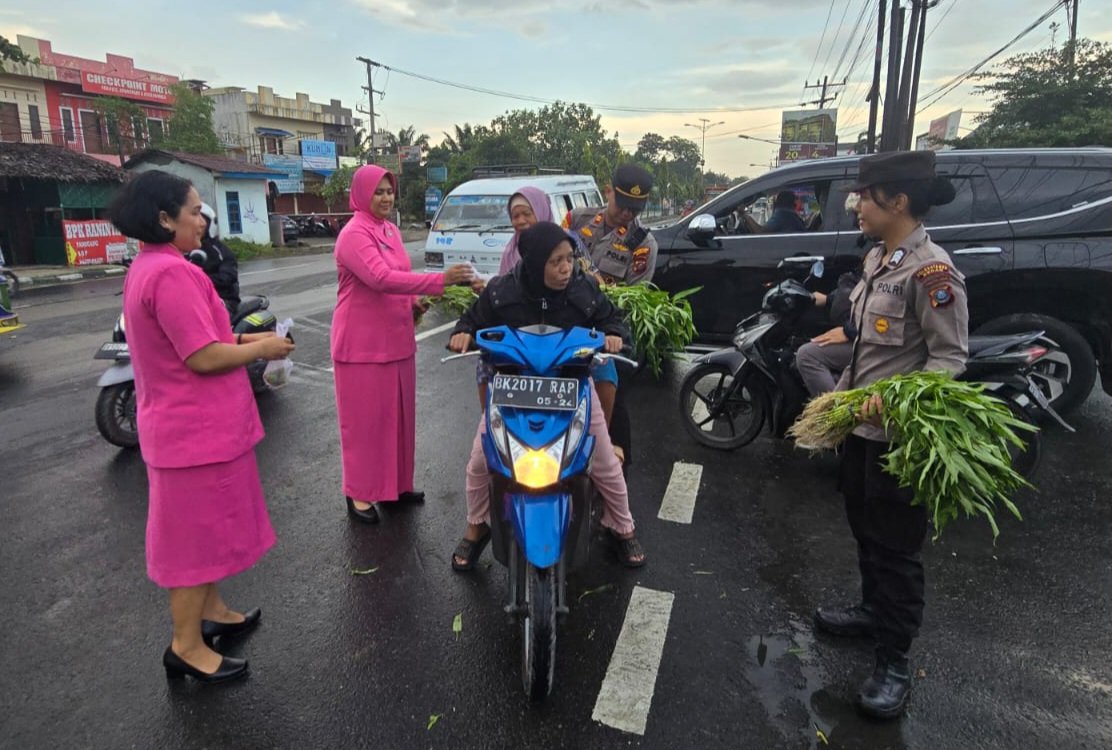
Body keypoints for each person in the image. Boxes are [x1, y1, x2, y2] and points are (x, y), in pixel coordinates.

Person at [111, 170, 295, 684]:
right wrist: (263, 347)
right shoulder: (169, 275)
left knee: (210, 535)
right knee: (192, 547)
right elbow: (202, 356)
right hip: (192, 434)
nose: (203, 219)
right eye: (194, 211)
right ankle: (186, 645)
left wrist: (240, 339)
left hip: (193, 430)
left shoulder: (155, 266)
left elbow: (203, 337)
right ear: (164, 219)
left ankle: (212, 611)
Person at [813, 150, 967, 720]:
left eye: (866, 196)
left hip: (900, 442)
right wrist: (845, 397)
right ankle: (870, 612)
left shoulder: (932, 272)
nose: (856, 205)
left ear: (896, 201)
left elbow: (949, 359)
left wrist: (899, 401)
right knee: (863, 526)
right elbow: (864, 343)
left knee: (897, 549)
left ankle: (895, 659)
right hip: (862, 430)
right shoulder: (880, 260)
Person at [447, 222, 646, 569]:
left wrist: (613, 333)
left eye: (569, 259)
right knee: (480, 462)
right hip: (512, 392)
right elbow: (472, 319)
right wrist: (463, 332)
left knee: (603, 462)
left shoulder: (583, 290)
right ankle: (476, 526)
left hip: (572, 388)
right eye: (556, 261)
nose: (566, 268)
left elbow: (612, 317)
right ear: (536, 261)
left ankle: (622, 525)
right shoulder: (501, 292)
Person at [331, 164, 474, 524]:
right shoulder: (353, 234)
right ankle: (360, 493)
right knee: (365, 424)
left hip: (397, 339)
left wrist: (414, 303)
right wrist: (439, 281)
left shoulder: (390, 231)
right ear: (363, 194)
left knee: (399, 418)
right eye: (378, 191)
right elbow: (379, 278)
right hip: (361, 345)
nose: (385, 197)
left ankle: (394, 486)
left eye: (389, 191)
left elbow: (399, 277)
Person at [563, 164, 657, 463]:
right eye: (623, 205)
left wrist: (597, 287)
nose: (629, 214)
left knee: (615, 411)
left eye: (636, 208)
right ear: (608, 192)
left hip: (610, 334)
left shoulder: (642, 243)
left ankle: (617, 488)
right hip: (565, 327)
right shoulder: (577, 220)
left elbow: (632, 299)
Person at [795, 268, 861, 397]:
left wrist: (849, 331)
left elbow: (882, 317)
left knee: (807, 355)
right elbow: (858, 289)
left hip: (872, 343)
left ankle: (835, 411)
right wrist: (829, 299)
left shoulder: (899, 265)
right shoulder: (876, 255)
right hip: (858, 333)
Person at [188, 203, 241, 314]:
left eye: (202, 220)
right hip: (195, 300)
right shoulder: (185, 248)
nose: (198, 225)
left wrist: (199, 280)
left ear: (209, 224)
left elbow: (228, 277)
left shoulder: (221, 251)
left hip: (223, 299)